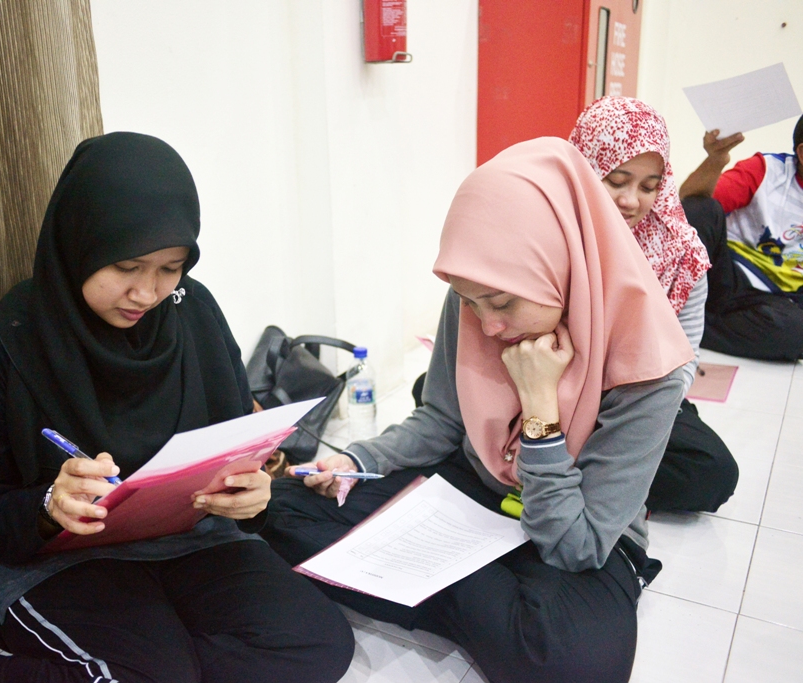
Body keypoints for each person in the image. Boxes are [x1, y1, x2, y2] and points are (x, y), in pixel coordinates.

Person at [0, 133, 354, 683]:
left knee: (318, 644)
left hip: (200, 542)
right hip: (65, 563)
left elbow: (237, 446)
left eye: (171, 268)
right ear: (79, 242)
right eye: (127, 266)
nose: (147, 293)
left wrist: (253, 495)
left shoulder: (193, 311)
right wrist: (49, 505)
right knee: (155, 673)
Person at [263, 138, 695, 683]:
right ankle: (469, 601)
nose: (487, 325)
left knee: (576, 665)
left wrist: (540, 409)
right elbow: (442, 420)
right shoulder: (473, 298)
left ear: (561, 264)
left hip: (575, 522)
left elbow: (576, 547)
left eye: (503, 303)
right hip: (476, 488)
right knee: (280, 507)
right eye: (471, 302)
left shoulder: (648, 363)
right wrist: (358, 460)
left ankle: (415, 577)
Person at [568, 96, 738, 513]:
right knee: (459, 396)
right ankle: (599, 473)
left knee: (711, 472)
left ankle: (566, 467)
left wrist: (642, 420)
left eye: (648, 187)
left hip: (641, 396)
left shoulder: (679, 252)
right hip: (555, 392)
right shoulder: (553, 234)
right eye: (616, 181)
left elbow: (685, 355)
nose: (631, 200)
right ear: (583, 169)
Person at [677, 114, 803, 360]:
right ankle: (673, 311)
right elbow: (690, 202)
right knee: (700, 209)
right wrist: (716, 159)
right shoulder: (765, 171)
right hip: (724, 274)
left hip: (775, 302)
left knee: (797, 333)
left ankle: (685, 328)